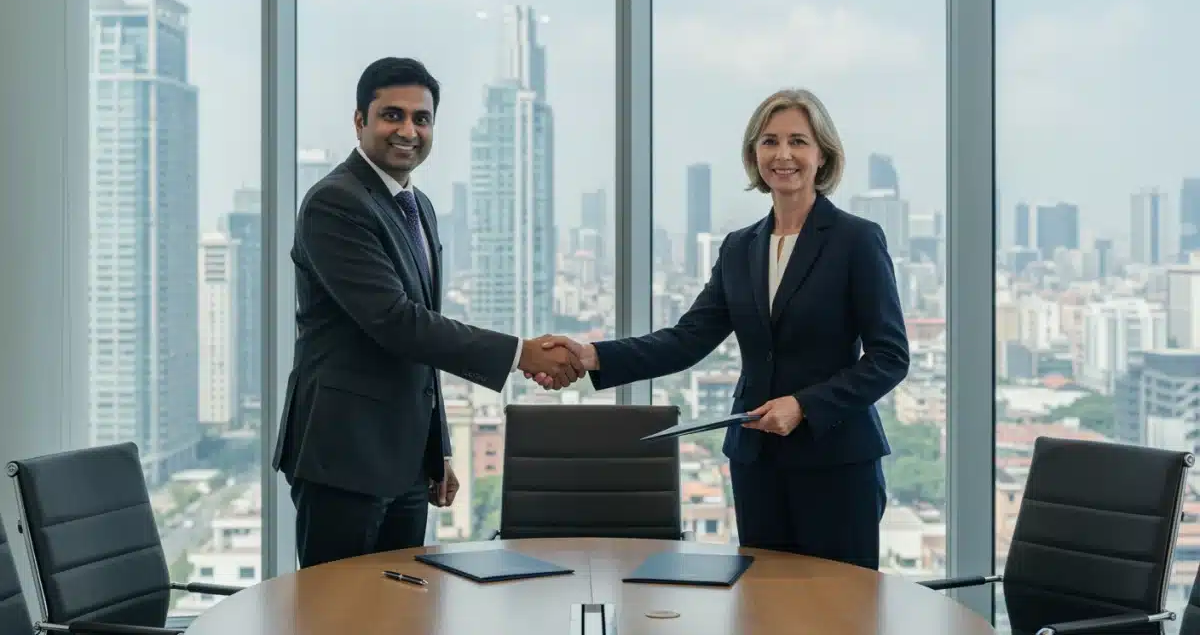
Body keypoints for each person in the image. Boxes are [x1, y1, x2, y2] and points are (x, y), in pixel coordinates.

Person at [531, 88, 909, 569]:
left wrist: (804, 406)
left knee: (839, 610)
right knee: (765, 607)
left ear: (823, 154)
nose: (783, 154)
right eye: (769, 141)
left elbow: (890, 357)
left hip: (835, 460)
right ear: (754, 155)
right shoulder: (739, 247)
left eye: (798, 141)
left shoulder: (856, 240)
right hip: (757, 462)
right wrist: (592, 356)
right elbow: (687, 339)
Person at [272, 57, 584, 569]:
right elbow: (396, 322)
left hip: (404, 464)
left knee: (402, 613)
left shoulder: (416, 205)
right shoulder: (336, 202)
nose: (408, 131)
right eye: (391, 115)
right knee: (339, 616)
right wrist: (520, 352)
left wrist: (434, 449)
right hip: (343, 458)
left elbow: (418, 348)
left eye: (422, 118)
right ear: (359, 121)